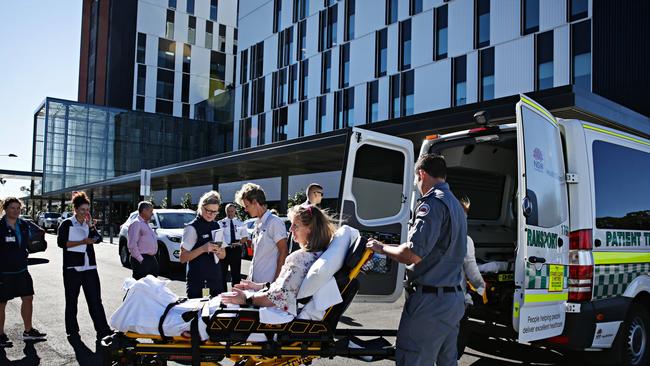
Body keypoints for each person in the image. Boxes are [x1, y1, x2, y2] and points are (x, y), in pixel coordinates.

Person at [367, 154, 467, 366]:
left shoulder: (432, 203)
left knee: (412, 359)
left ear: (422, 174)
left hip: (429, 304)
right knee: (447, 361)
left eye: (416, 179)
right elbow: (433, 250)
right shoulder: (456, 205)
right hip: (452, 300)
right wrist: (390, 247)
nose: (416, 185)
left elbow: (412, 254)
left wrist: (380, 248)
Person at [222, 204, 335, 316]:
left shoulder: (300, 259)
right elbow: (284, 287)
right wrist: (258, 286)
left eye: (295, 226)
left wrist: (246, 299)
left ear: (310, 229)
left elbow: (277, 298)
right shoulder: (316, 254)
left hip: (276, 317)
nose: (290, 229)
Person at [57, 191, 112, 341]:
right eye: (82, 209)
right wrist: (82, 241)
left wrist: (91, 227)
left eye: (87, 209)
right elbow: (62, 243)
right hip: (72, 269)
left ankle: (103, 330)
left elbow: (98, 239)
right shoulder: (67, 223)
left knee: (95, 301)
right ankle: (72, 331)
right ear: (75, 209)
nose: (85, 212)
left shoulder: (88, 223)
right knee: (71, 301)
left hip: (90, 268)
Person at [0, 198, 47, 348]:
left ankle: (28, 331)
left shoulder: (23, 224)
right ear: (5, 209)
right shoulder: (0, 226)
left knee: (28, 297)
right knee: (1, 303)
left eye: (18, 208)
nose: (16, 211)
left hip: (21, 269)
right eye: (12, 208)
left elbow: (31, 241)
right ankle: (0, 335)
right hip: (3, 272)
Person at [235, 183, 288, 283]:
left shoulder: (274, 222)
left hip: (268, 286)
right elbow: (257, 258)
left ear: (255, 202)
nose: (245, 209)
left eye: (247, 206)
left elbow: (284, 252)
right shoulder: (257, 224)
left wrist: (276, 283)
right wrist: (249, 280)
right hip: (255, 285)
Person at [180, 191, 227, 298]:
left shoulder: (216, 226)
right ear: (201, 207)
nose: (211, 215)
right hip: (198, 282)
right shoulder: (191, 228)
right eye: (209, 211)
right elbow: (182, 257)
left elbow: (223, 255)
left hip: (216, 280)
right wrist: (202, 249)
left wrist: (219, 251)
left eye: (215, 212)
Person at [456, 196, 485, 359]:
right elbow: (472, 272)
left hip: (426, 298)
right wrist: (481, 288)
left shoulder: (433, 233)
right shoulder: (465, 241)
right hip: (453, 300)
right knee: (452, 346)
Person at [217, 203, 247, 291]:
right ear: (225, 211)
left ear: (235, 212)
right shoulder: (220, 223)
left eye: (232, 211)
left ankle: (236, 294)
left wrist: (239, 242)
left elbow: (245, 237)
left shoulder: (240, 223)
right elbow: (218, 237)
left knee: (236, 274)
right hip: (224, 250)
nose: (230, 213)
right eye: (228, 211)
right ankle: (223, 294)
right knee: (222, 274)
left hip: (236, 249)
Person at [127, 201, 159, 280]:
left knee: (151, 286)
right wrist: (140, 259)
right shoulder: (136, 223)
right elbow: (132, 244)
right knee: (140, 286)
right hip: (142, 259)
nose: (152, 214)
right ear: (144, 211)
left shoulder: (145, 223)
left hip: (150, 259)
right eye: (150, 211)